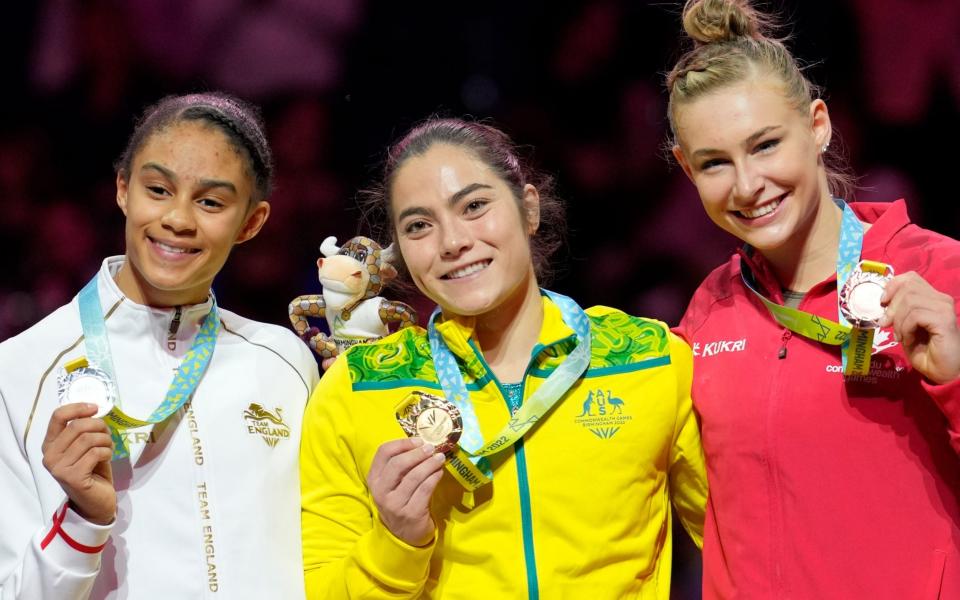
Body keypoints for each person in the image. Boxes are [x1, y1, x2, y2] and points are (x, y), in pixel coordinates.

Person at [299, 118, 708, 599]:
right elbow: (318, 586)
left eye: (474, 206)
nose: (452, 242)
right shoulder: (357, 387)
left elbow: (740, 549)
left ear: (528, 209)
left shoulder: (649, 359)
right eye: (418, 226)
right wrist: (396, 542)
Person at [665, 1, 960, 597]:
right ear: (686, 170)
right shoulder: (709, 309)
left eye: (766, 145)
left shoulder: (941, 272)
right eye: (714, 163)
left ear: (818, 125)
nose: (748, 185)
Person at [0, 92, 320, 599]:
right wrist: (83, 520)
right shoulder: (20, 372)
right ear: (123, 188)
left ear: (252, 222)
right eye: (158, 189)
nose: (178, 218)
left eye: (211, 201)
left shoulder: (286, 363)